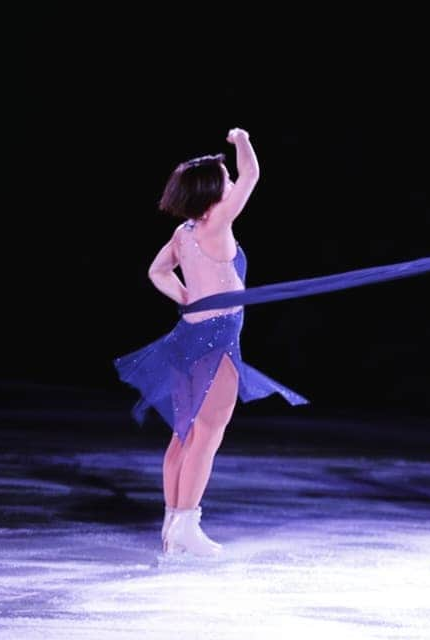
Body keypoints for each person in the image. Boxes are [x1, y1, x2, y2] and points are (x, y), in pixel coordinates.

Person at [114, 128, 308, 557]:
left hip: (188, 339)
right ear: (212, 191)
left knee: (184, 438)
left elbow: (157, 271)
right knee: (207, 436)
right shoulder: (217, 221)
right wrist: (241, 140)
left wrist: (187, 298)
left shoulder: (184, 233)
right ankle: (185, 528)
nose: (231, 182)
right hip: (215, 341)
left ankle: (173, 526)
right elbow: (253, 174)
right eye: (224, 177)